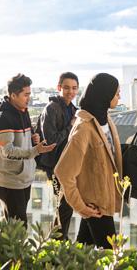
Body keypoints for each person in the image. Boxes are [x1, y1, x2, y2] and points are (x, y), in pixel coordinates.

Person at [55, 73, 122, 249]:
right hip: (95, 205)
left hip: (103, 199)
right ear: (104, 95)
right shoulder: (84, 127)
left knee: (84, 252)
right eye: (116, 93)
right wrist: (81, 206)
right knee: (112, 255)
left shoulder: (105, 120)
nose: (119, 97)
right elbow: (63, 171)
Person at [0, 73, 56, 227]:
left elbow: (24, 141)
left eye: (29, 94)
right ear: (13, 95)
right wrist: (35, 150)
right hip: (10, 182)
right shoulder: (3, 119)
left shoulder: (23, 112)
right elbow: (7, 152)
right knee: (17, 229)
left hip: (23, 179)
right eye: (25, 94)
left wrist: (33, 139)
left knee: (16, 227)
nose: (29, 98)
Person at [36, 71, 79, 240]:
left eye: (74, 88)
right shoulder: (52, 108)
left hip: (68, 162)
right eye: (67, 87)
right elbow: (51, 140)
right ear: (59, 87)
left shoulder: (73, 109)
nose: (71, 92)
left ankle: (59, 239)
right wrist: (71, 127)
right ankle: (58, 240)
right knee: (64, 203)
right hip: (55, 163)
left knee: (66, 203)